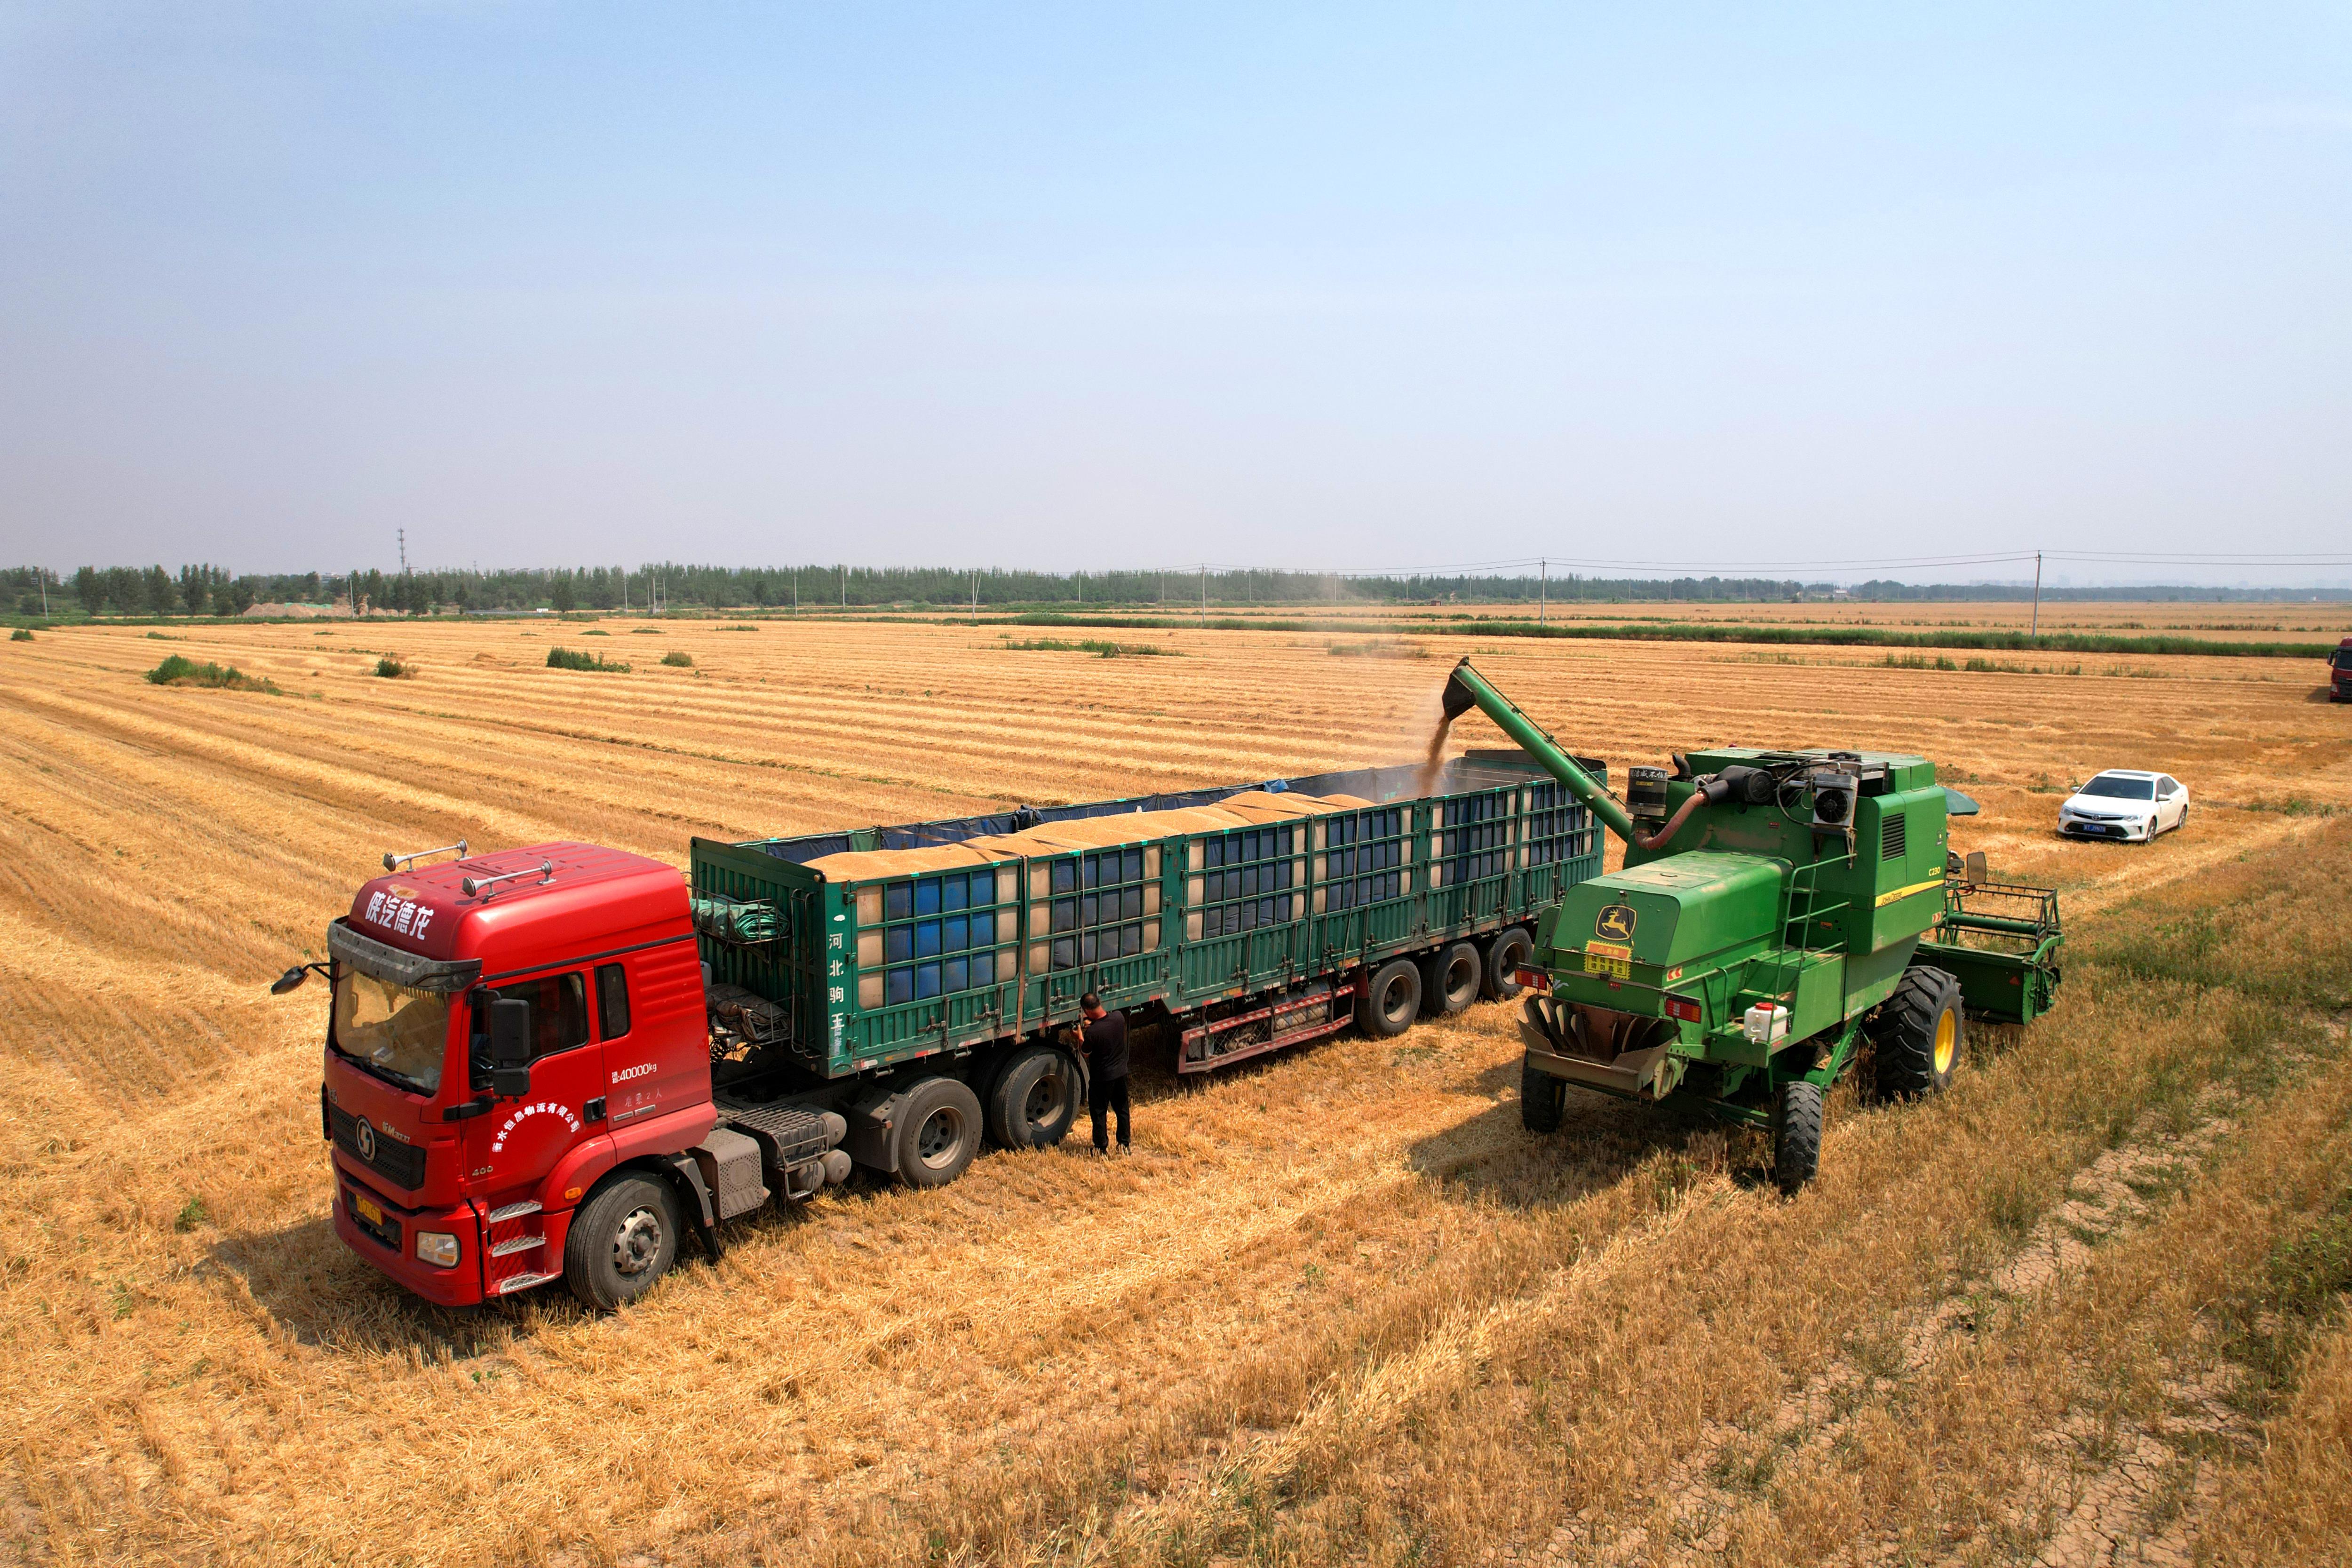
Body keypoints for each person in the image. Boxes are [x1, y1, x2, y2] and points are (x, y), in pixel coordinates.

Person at [1075, 993, 1129, 1154]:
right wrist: (1093, 1024)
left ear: (1086, 1011)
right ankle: (1124, 1145)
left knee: (1099, 1113)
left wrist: (1079, 1035)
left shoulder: (1093, 1033)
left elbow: (1085, 1052)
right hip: (1121, 1074)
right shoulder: (1119, 1018)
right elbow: (1106, 1025)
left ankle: (1101, 1148)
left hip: (1102, 1079)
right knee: (1122, 1110)